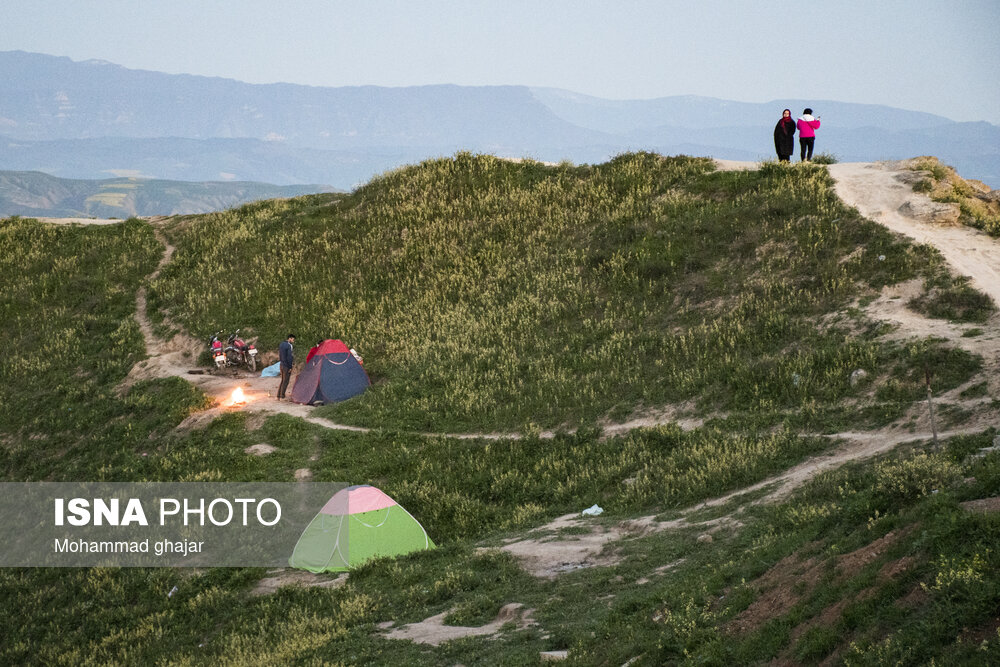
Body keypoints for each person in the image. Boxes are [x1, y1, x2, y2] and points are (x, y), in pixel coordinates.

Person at [277, 333, 296, 400]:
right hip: (286, 366)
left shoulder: (281, 344)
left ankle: (278, 395)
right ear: (290, 338)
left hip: (281, 364)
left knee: (282, 380)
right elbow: (289, 357)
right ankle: (282, 396)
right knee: (286, 381)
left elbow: (280, 355)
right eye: (293, 339)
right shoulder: (289, 346)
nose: (293, 341)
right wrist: (290, 367)